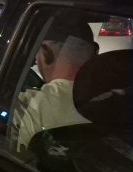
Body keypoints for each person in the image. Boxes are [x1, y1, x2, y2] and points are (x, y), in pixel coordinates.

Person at [12, 15, 99, 151]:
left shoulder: (28, 106)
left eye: (36, 54)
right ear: (94, 52)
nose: (35, 60)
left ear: (46, 52)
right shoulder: (115, 97)